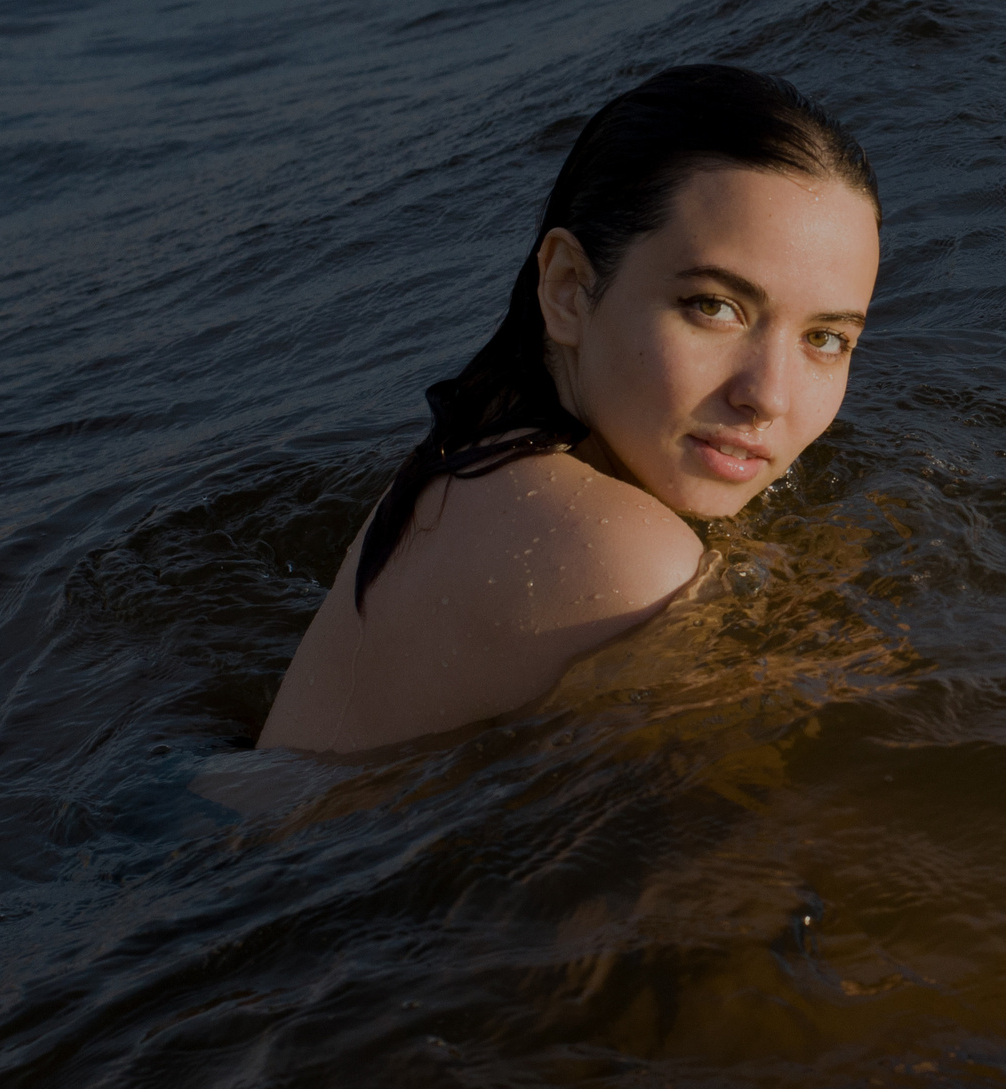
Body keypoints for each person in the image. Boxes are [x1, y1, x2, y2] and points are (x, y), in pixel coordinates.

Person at [258, 65, 881, 755]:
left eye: (825, 338)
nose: (768, 394)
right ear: (566, 289)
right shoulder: (628, 559)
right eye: (714, 306)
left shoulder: (481, 456)